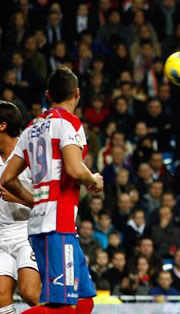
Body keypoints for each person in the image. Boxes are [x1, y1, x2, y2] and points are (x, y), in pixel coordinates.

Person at [1, 65, 104, 314]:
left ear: (48, 95)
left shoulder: (32, 128)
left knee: (84, 301)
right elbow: (74, 168)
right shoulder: (69, 123)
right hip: (57, 225)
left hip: (48, 224)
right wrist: (93, 179)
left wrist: (35, 200)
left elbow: (7, 177)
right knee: (64, 307)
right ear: (77, 94)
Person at [0, 101, 40, 313]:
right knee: (1, 297)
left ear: (2, 126)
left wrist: (19, 199)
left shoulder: (31, 155)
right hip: (1, 236)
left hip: (27, 232)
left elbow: (50, 199)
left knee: (30, 293)